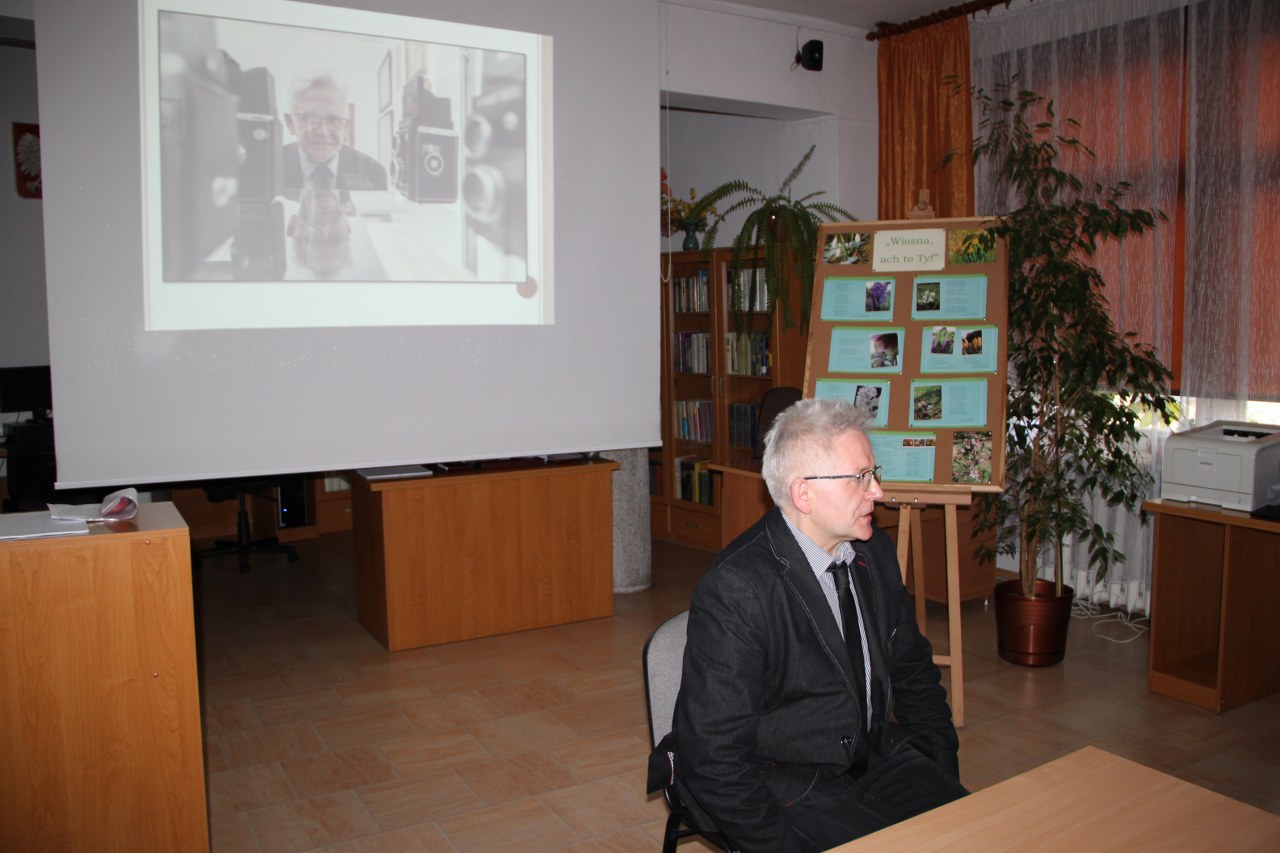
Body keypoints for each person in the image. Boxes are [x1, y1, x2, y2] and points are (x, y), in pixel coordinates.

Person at [670, 398, 965, 852]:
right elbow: (713, 757)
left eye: (874, 473)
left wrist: (942, 783)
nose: (878, 491)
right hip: (782, 782)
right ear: (803, 494)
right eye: (860, 478)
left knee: (976, 834)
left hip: (874, 756)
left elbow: (915, 675)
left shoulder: (874, 552)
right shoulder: (738, 588)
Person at [282, 74, 387, 193]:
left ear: (346, 126)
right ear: (290, 123)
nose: (322, 131)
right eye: (310, 118)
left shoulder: (373, 173)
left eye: (333, 120)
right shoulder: (268, 167)